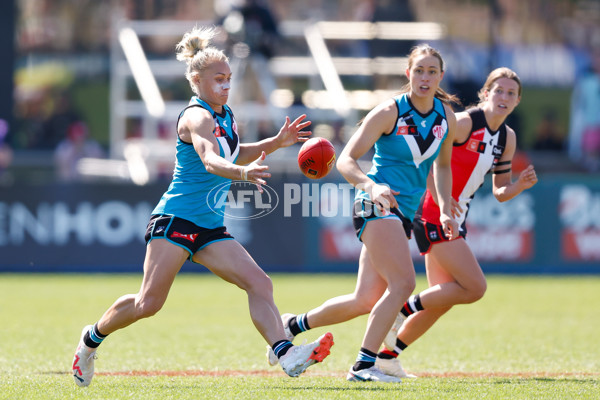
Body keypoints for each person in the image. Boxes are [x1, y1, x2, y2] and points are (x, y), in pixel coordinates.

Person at [71, 26, 334, 387]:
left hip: (209, 227)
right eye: (218, 79)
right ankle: (90, 340)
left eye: (228, 78)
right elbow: (211, 160)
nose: (226, 85)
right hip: (175, 219)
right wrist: (242, 172)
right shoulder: (198, 117)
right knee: (148, 303)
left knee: (259, 282)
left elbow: (234, 151)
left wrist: (275, 142)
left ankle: (285, 353)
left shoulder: (226, 115)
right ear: (196, 80)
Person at [266, 44, 459, 383]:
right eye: (419, 71)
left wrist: (444, 206)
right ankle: (364, 365)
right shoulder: (389, 112)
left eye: (432, 71)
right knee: (404, 283)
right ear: (408, 74)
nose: (425, 77)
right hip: (374, 204)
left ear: (441, 76)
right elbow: (345, 160)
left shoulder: (447, 116)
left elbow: (442, 167)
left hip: (404, 212)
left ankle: (292, 325)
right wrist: (372, 187)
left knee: (364, 299)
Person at [377, 67, 538, 379]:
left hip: (456, 218)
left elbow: (500, 190)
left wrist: (519, 186)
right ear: (485, 93)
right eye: (498, 90)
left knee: (442, 299)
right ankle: (402, 308)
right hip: (434, 212)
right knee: (475, 287)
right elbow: (431, 160)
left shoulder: (507, 137)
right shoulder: (465, 123)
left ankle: (387, 357)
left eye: (510, 93)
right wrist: (440, 200)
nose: (503, 97)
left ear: (518, 101)